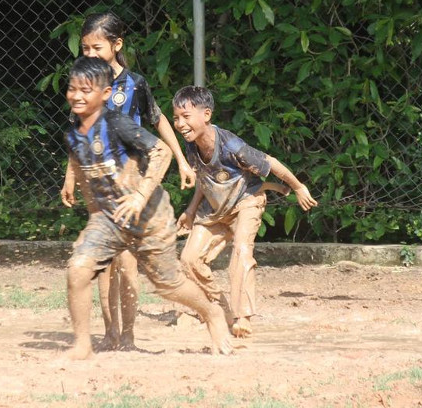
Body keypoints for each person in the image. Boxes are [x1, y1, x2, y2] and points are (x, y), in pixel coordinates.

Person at [61, 57, 232, 360]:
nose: (77, 96)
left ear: (104, 95)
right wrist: (94, 215)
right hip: (110, 218)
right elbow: (84, 173)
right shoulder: (75, 133)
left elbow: (161, 151)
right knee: (78, 269)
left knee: (168, 285)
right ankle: (83, 344)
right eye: (73, 89)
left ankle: (212, 312)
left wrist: (139, 196)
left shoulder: (116, 123)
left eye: (86, 90)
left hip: (149, 215)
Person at [60, 12, 196, 351]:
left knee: (127, 264)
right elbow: (80, 135)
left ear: (117, 45)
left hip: (133, 182)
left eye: (97, 47)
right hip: (100, 183)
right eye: (85, 47)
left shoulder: (134, 84)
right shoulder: (83, 82)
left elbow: (158, 119)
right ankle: (110, 332)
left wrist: (181, 160)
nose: (89, 53)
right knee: (102, 264)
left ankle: (129, 335)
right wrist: (70, 176)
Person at [172, 85, 318, 338]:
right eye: (176, 118)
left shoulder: (231, 145)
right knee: (188, 260)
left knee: (241, 251)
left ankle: (242, 317)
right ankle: (219, 307)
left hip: (246, 201)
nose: (180, 123)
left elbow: (270, 162)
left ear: (206, 115)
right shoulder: (192, 145)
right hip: (215, 208)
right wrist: (190, 210)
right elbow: (203, 180)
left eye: (186, 117)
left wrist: (298, 187)